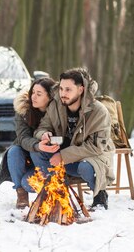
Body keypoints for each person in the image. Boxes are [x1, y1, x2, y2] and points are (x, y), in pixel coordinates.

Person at [31, 67, 114, 209]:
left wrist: (62, 156)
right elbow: (41, 128)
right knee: (36, 151)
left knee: (86, 167)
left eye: (68, 90)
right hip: (62, 154)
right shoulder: (56, 106)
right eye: (61, 89)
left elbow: (95, 146)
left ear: (81, 90)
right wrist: (44, 134)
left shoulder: (98, 111)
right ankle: (54, 192)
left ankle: (100, 195)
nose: (63, 94)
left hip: (91, 157)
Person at [0, 76, 56, 209]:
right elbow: (23, 138)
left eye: (38, 94)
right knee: (13, 151)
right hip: (27, 154)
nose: (33, 97)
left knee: (27, 182)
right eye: (32, 93)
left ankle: (49, 188)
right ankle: (21, 194)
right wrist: (37, 145)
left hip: (50, 158)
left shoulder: (58, 111)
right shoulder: (23, 110)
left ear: (50, 96)